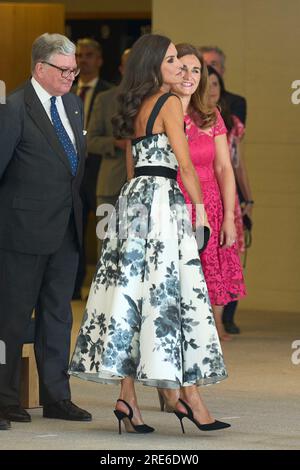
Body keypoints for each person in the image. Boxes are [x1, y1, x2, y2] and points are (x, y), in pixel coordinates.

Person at [69, 33, 230, 435]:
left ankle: (128, 399)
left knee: (129, 297)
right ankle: (187, 399)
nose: (180, 67)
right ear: (155, 65)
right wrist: (201, 213)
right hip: (163, 201)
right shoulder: (171, 103)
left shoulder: (131, 103)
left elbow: (130, 163)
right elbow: (186, 165)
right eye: (173, 60)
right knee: (169, 297)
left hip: (133, 200)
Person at [0, 33, 91, 426]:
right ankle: (4, 400)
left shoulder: (72, 105)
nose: (72, 75)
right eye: (65, 69)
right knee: (11, 317)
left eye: (75, 69)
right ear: (41, 69)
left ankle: (57, 396)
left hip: (66, 229)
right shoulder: (14, 107)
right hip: (20, 231)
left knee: (59, 316)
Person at [173, 43, 246, 342]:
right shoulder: (161, 110)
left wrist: (229, 217)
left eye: (196, 70)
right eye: (183, 69)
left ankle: (207, 339)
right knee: (179, 282)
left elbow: (225, 169)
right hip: (176, 203)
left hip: (211, 205)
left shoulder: (210, 113)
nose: (190, 75)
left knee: (208, 278)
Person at [199, 46, 252, 333]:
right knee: (203, 258)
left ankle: (221, 320)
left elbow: (234, 164)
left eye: (217, 82)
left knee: (224, 256)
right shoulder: (184, 116)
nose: (212, 88)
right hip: (200, 193)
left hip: (225, 193)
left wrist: (248, 198)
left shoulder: (228, 119)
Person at [72, 38, 113, 300]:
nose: (82, 60)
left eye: (88, 55)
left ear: (99, 60)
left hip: (99, 170)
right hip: (69, 172)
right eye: (79, 55)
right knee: (72, 231)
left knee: (101, 231)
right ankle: (73, 287)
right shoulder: (66, 90)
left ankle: (100, 289)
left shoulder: (111, 93)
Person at [87, 49, 130, 257]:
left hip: (142, 186)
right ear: (122, 69)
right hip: (110, 184)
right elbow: (90, 141)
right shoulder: (105, 99)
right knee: (106, 246)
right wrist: (115, 143)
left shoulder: (157, 99)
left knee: (135, 248)